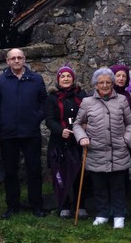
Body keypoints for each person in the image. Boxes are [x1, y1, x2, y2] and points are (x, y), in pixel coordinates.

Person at [0, 48, 48, 219]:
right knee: (11, 172)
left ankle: (37, 205)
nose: (16, 61)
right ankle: (12, 206)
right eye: (13, 58)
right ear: (7, 61)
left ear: (24, 59)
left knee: (34, 170)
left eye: (19, 57)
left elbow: (44, 102)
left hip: (31, 132)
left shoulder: (36, 79)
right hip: (8, 133)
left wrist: (37, 117)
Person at [73, 68, 131, 229]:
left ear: (113, 83)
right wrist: (82, 137)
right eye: (101, 82)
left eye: (108, 82)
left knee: (118, 186)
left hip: (118, 150)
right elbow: (77, 124)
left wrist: (126, 140)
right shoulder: (87, 102)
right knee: (99, 186)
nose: (105, 85)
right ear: (96, 85)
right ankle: (102, 214)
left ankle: (119, 215)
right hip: (95, 151)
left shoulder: (121, 100)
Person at [44, 64, 88, 219]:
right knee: (60, 174)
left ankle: (80, 204)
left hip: (78, 141)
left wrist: (84, 125)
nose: (66, 78)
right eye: (62, 76)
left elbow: (87, 114)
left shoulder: (82, 95)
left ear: (73, 78)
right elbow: (49, 119)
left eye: (68, 76)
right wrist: (60, 130)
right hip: (59, 142)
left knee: (78, 173)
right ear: (58, 80)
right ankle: (64, 205)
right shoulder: (52, 98)